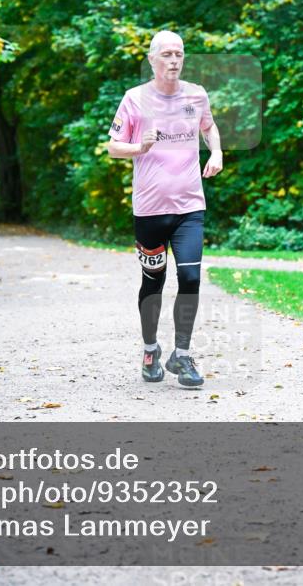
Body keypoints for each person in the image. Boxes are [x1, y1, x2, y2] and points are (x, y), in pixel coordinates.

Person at [106, 30, 223, 387]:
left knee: (190, 277)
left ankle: (182, 356)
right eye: (167, 54)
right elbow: (113, 147)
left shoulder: (196, 94)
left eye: (179, 54)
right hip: (150, 210)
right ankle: (149, 349)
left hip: (189, 206)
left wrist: (216, 151)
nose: (174, 60)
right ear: (152, 59)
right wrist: (139, 147)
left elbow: (209, 126)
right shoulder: (134, 99)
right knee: (152, 283)